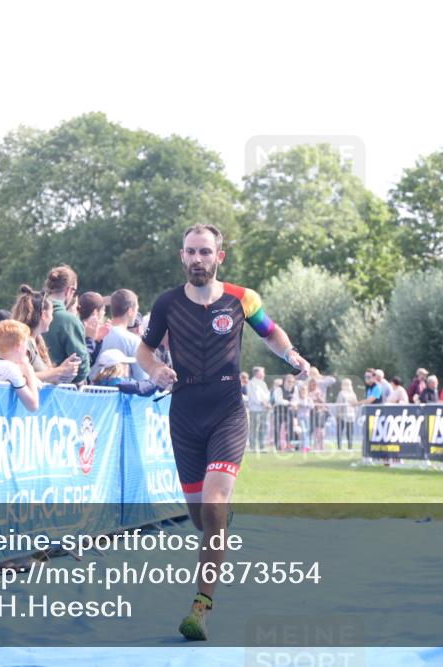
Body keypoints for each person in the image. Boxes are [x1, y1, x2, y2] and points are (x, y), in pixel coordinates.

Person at [135, 223, 310, 641]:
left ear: (219, 257)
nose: (198, 259)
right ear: (182, 256)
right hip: (184, 414)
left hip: (229, 410)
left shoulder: (242, 299)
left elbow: (271, 332)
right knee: (201, 518)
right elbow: (144, 349)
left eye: (205, 252)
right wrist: (156, 368)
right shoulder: (166, 304)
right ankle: (219, 521)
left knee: (213, 504)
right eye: (191, 252)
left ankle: (201, 607)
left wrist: (292, 355)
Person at [10, 285, 81, 385]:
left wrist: (64, 371)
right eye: (51, 313)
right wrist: (59, 371)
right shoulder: (23, 342)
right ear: (44, 315)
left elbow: (46, 378)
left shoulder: (37, 340)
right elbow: (18, 377)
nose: (52, 318)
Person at [42, 265, 90, 384]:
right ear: (69, 290)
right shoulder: (69, 320)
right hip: (61, 392)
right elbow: (81, 366)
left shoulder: (30, 312)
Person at [0, 320, 41, 412]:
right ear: (20, 347)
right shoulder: (10, 368)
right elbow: (33, 406)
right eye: (26, 344)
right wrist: (30, 373)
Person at [92, 288, 148, 381]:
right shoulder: (134, 341)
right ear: (130, 311)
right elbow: (142, 378)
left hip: (93, 392)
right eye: (136, 310)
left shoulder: (96, 335)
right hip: (122, 394)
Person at [78, 291, 110, 362]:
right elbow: (85, 362)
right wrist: (91, 339)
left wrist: (97, 341)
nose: (104, 313)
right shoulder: (80, 331)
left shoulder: (76, 327)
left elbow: (90, 361)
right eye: (103, 310)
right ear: (95, 312)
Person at [246, 366, 271, 450]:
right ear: (257, 373)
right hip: (255, 409)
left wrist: (268, 403)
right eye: (262, 372)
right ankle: (253, 446)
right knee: (254, 428)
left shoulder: (263, 383)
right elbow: (254, 397)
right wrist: (263, 402)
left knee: (263, 428)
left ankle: (262, 445)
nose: (264, 374)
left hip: (264, 409)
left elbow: (267, 394)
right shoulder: (251, 383)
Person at [335, 377, 359, 450]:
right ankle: (348, 446)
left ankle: (344, 446)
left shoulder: (343, 393)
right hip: (348, 415)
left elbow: (339, 405)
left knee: (342, 431)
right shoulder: (352, 393)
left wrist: (337, 414)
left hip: (345, 415)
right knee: (348, 431)